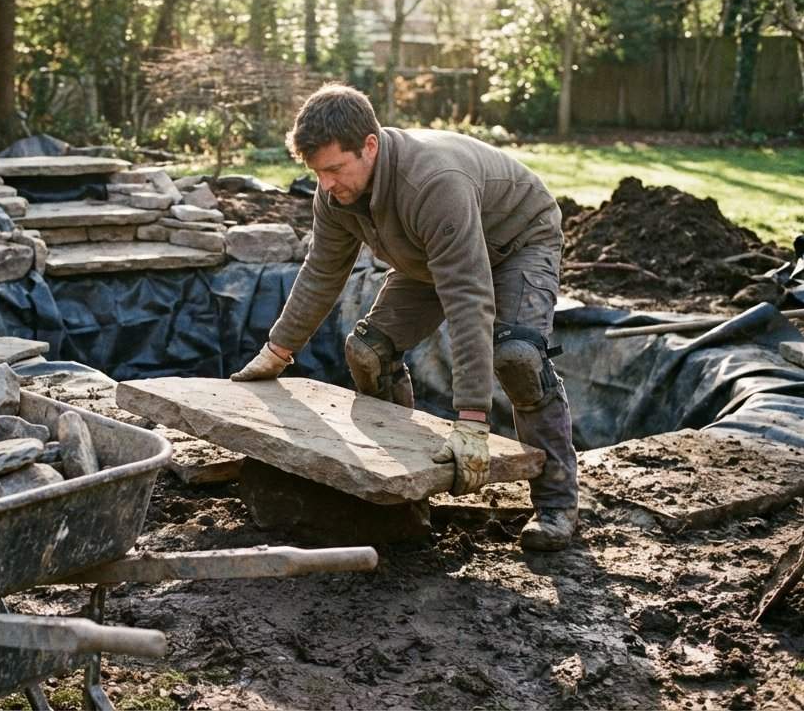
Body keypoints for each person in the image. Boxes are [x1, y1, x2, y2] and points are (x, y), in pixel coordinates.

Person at [230, 84, 578, 551]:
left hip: (516, 243)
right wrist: (277, 351)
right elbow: (321, 272)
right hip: (431, 255)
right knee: (368, 352)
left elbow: (468, 296)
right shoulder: (333, 194)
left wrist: (472, 420)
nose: (326, 184)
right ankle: (400, 488)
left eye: (334, 169)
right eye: (318, 172)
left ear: (369, 145)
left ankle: (557, 506)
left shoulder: (434, 184)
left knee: (518, 359)